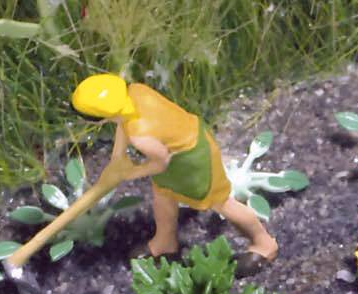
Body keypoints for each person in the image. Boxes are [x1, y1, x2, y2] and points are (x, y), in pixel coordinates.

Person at [71, 73, 278, 264]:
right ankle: (165, 243)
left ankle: (264, 244)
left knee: (221, 202)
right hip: (178, 149)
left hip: (193, 157)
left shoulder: (141, 135)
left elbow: (161, 162)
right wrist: (117, 158)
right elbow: (123, 124)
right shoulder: (135, 91)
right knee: (162, 195)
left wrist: (129, 173)